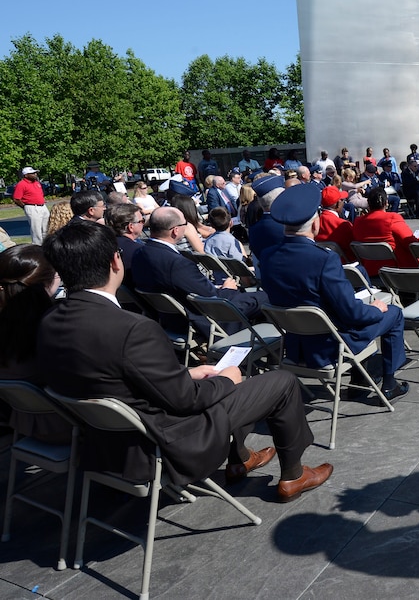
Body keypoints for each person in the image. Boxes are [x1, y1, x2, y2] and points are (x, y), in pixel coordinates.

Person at [39, 220, 332, 500]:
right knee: (280, 381)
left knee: (221, 380)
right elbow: (185, 401)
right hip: (168, 439)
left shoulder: (50, 320)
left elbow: (114, 376)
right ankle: (294, 475)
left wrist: (185, 373)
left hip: (108, 442)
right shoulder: (132, 328)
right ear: (115, 262)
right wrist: (224, 380)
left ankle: (239, 458)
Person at [260, 184, 409, 401]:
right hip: (331, 345)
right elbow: (353, 314)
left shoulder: (268, 255)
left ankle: (360, 379)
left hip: (295, 345)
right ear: (315, 224)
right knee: (393, 313)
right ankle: (389, 383)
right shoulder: (323, 259)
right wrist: (376, 309)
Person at [131, 206, 268, 339]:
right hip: (203, 319)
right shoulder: (177, 263)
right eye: (185, 223)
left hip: (168, 317)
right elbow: (210, 296)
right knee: (266, 297)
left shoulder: (140, 253)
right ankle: (268, 351)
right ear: (175, 231)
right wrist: (227, 289)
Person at [0, 244, 69, 444]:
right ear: (45, 281)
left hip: (18, 422)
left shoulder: (14, 327)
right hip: (65, 426)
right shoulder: (56, 328)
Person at [352, 188, 419, 277]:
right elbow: (410, 242)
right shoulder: (392, 218)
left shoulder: (358, 221)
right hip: (396, 270)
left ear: (368, 203)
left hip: (370, 269)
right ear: (386, 203)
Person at [105, 203, 146, 282]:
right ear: (131, 227)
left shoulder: (103, 246)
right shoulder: (139, 251)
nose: (143, 224)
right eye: (142, 221)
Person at [316, 186, 354, 262]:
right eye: (343, 200)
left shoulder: (314, 223)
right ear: (338, 203)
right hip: (343, 265)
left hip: (320, 262)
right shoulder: (343, 225)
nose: (343, 203)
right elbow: (353, 250)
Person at [12, 167, 48, 245]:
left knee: (46, 228)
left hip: (43, 206)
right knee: (36, 230)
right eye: (32, 173)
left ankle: (47, 245)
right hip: (32, 207)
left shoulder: (37, 183)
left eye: (35, 173)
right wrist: (25, 207)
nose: (35, 174)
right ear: (26, 175)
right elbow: (16, 199)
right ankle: (37, 247)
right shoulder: (21, 184)